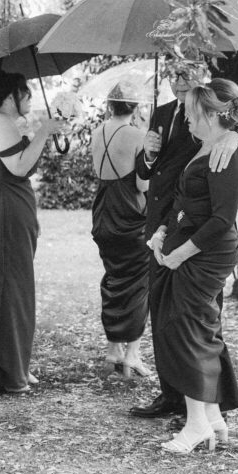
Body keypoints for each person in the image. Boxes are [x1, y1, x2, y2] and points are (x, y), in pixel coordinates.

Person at [131, 62, 238, 418]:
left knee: (198, 320)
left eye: (186, 74)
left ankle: (207, 401)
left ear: (202, 80)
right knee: (163, 312)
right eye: (173, 75)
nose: (178, 81)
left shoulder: (216, 114)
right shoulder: (162, 113)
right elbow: (147, 171)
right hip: (164, 226)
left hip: (199, 236)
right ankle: (172, 394)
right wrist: (148, 153)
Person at [150, 79, 238, 453]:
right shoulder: (205, 147)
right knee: (199, 330)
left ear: (212, 115)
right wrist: (162, 230)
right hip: (191, 247)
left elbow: (222, 219)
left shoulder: (228, 154)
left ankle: (196, 425)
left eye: (193, 115)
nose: (188, 122)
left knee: (187, 331)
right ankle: (212, 418)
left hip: (207, 254)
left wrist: (183, 252)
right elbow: (185, 200)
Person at [0, 70, 67, 393]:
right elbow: (18, 167)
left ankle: (13, 364)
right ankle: (4, 371)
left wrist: (40, 134)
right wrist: (43, 133)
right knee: (7, 288)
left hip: (7, 214)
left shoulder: (4, 124)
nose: (30, 99)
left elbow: (19, 164)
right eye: (26, 93)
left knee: (14, 288)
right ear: (10, 97)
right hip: (1, 218)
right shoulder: (0, 123)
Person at [89, 84, 151, 376]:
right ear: (135, 107)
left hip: (103, 212)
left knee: (114, 277)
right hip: (130, 213)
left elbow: (100, 172)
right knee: (139, 281)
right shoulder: (138, 136)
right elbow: (142, 184)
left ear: (110, 105)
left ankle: (113, 348)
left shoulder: (96, 133)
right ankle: (133, 354)